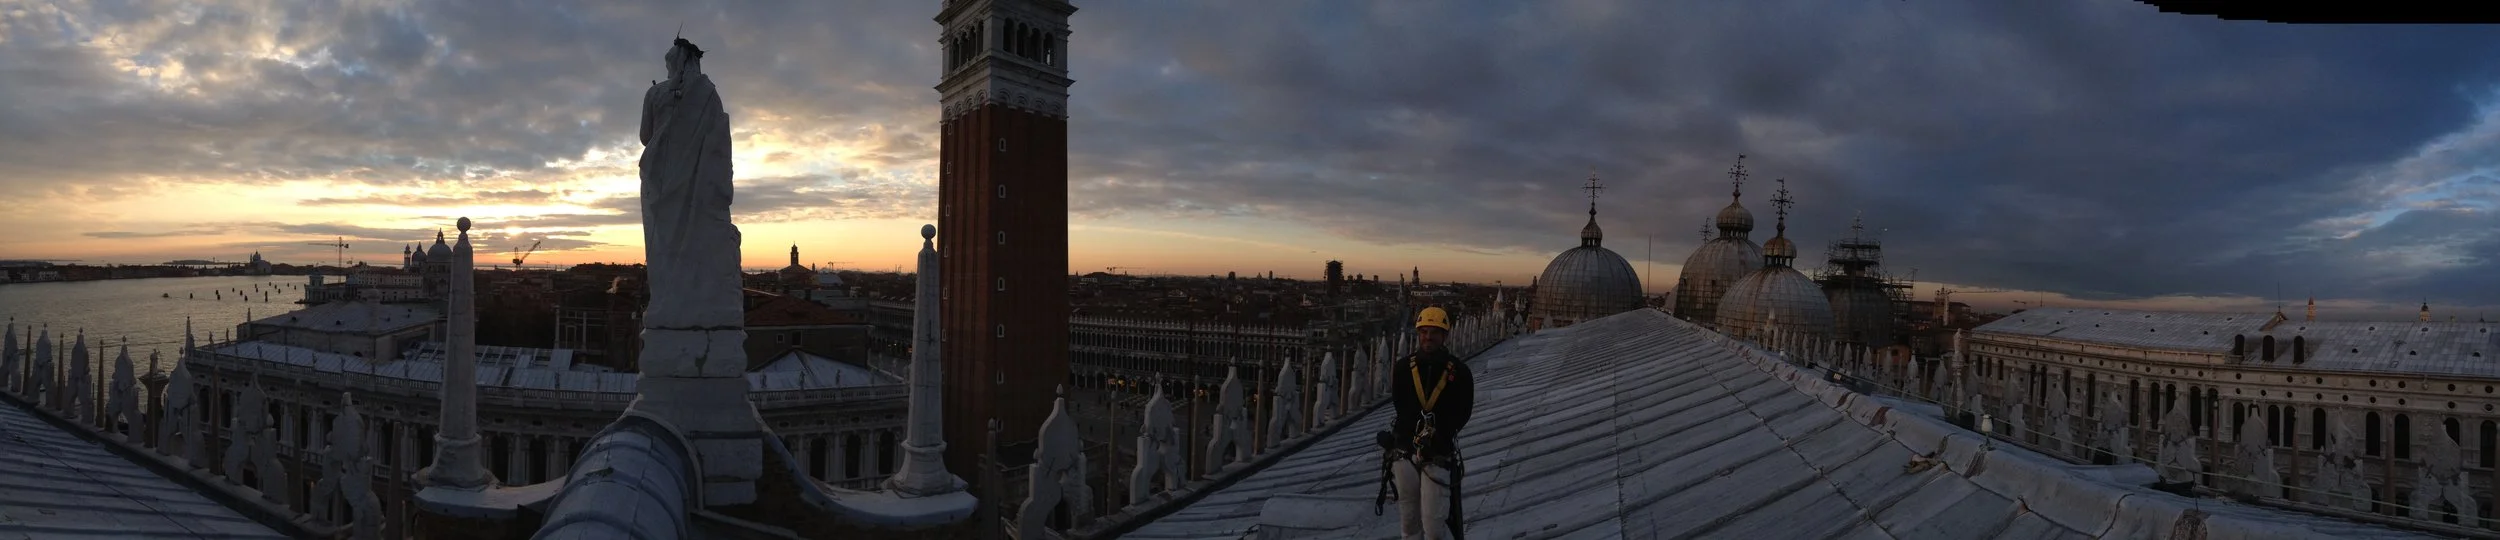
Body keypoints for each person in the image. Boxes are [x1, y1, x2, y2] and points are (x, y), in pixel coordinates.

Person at [1388, 306, 1474, 539]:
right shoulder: (1403, 368)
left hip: (1438, 454)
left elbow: (1463, 412)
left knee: (1435, 527)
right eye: (1424, 331)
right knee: (1409, 523)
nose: (1428, 337)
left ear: (1444, 335)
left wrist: (1440, 435)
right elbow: (1400, 405)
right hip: (1405, 451)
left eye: (1434, 332)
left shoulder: (1460, 371)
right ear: (1418, 334)